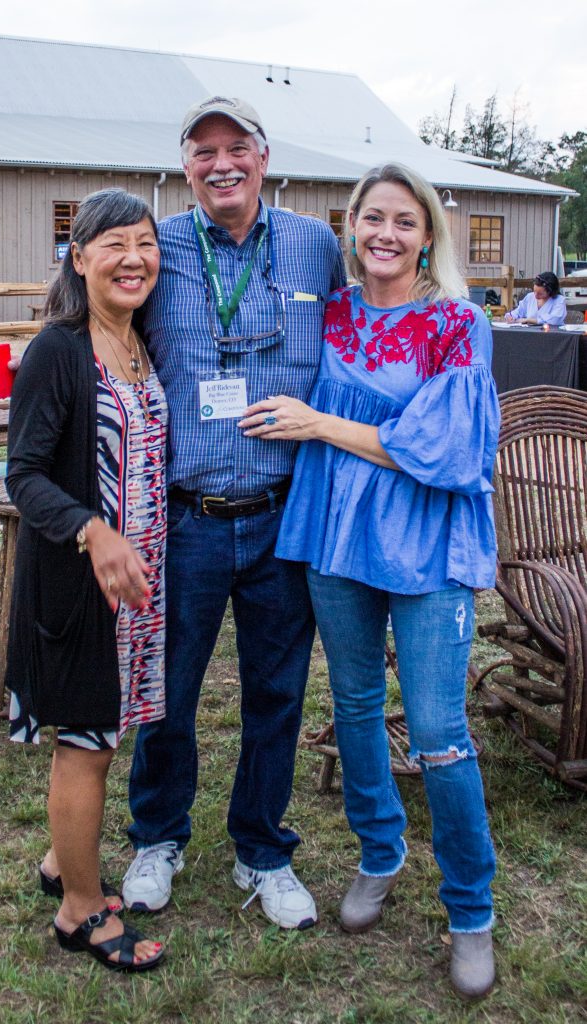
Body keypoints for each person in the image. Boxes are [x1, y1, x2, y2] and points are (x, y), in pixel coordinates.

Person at [239, 163, 499, 998]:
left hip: (423, 547)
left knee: (438, 733)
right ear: (349, 227)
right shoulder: (333, 314)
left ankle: (470, 907)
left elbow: (445, 451)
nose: (384, 234)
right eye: (370, 218)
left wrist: (320, 425)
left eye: (403, 221)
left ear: (428, 235)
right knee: (351, 707)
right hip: (337, 538)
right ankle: (377, 852)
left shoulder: (458, 324)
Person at [121, 97, 346, 929]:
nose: (222, 164)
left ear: (262, 155)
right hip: (185, 519)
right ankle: (157, 835)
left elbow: (359, 336)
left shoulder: (315, 245)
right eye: (203, 151)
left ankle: (261, 848)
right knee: (167, 690)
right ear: (185, 166)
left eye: (236, 148)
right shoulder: (158, 248)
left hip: (286, 516)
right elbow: (97, 328)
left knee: (276, 692)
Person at [5, 188, 166, 972]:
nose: (133, 258)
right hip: (80, 585)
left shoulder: (140, 344)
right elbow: (24, 475)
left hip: (137, 587)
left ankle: (57, 861)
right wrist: (94, 530)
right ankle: (79, 911)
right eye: (114, 244)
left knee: (104, 733)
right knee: (87, 748)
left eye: (145, 243)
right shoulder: (59, 350)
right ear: (80, 257)